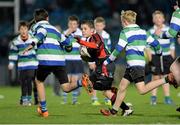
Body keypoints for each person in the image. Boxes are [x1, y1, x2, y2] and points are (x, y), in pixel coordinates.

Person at [100, 10, 178, 116]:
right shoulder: (143, 32)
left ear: (125, 22)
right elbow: (156, 44)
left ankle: (167, 79)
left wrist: (107, 61)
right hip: (136, 64)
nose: (122, 24)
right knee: (122, 87)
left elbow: (118, 49)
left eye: (122, 22)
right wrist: (159, 53)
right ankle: (114, 111)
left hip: (134, 65)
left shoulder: (125, 32)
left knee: (142, 90)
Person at [23, 8, 82, 117]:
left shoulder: (39, 27)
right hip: (59, 61)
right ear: (47, 18)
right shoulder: (55, 29)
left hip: (46, 60)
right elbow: (67, 42)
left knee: (39, 81)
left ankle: (44, 110)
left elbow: (40, 34)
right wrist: (68, 48)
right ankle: (81, 82)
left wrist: (31, 44)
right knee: (66, 87)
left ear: (36, 19)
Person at [75, 20, 133, 116]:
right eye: (82, 29)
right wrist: (86, 57)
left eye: (85, 29)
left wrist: (81, 42)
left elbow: (97, 46)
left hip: (106, 65)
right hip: (100, 66)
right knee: (92, 84)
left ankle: (125, 107)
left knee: (104, 91)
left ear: (92, 30)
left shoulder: (96, 36)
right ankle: (122, 104)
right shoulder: (89, 40)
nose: (83, 31)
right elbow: (94, 55)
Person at [8, 21, 38, 106]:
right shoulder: (16, 41)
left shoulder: (33, 39)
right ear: (19, 30)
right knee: (23, 81)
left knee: (29, 79)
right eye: (21, 29)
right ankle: (24, 99)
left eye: (25, 29)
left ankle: (28, 99)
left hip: (32, 63)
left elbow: (37, 50)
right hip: (21, 64)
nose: (23, 31)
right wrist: (11, 63)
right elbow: (13, 52)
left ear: (28, 29)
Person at [148, 10, 175, 105]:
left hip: (167, 56)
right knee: (155, 77)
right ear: (153, 20)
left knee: (166, 76)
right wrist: (150, 58)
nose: (158, 19)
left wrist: (172, 57)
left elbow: (172, 45)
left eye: (160, 17)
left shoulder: (168, 30)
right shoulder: (151, 31)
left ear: (163, 19)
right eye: (156, 18)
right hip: (155, 56)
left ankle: (167, 97)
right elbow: (148, 46)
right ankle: (153, 97)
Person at [62, 15, 83, 105]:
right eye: (71, 24)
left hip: (77, 60)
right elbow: (61, 44)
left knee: (74, 80)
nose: (72, 26)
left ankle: (74, 100)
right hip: (67, 59)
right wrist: (66, 35)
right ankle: (65, 100)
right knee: (66, 80)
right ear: (68, 24)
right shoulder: (64, 33)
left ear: (77, 25)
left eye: (74, 24)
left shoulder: (81, 33)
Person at [93, 16, 112, 106]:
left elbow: (109, 49)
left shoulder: (106, 36)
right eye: (97, 25)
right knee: (94, 79)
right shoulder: (92, 36)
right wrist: (91, 62)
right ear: (94, 26)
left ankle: (107, 98)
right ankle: (94, 99)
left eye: (100, 25)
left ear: (103, 26)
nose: (98, 27)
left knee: (105, 79)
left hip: (104, 61)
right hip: (95, 60)